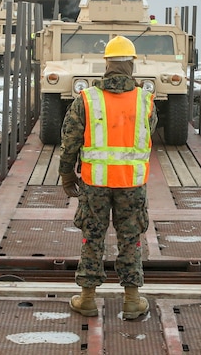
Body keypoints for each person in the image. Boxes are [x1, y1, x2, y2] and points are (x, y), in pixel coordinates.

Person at [59, 35, 157, 320]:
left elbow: (70, 140)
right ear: (132, 65)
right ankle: (132, 301)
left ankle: (87, 299)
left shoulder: (87, 99)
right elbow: (149, 132)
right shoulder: (145, 101)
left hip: (95, 184)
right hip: (131, 185)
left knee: (92, 237)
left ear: (106, 65)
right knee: (130, 239)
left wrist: (67, 174)